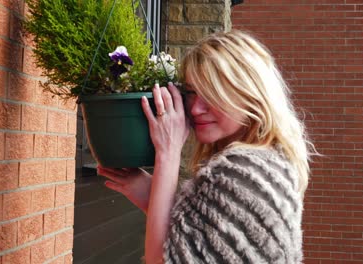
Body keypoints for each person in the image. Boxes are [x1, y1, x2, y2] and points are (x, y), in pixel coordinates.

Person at [97, 29, 314, 264]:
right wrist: (154, 196)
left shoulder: (242, 172)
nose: (196, 108)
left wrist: (168, 153)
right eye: (191, 92)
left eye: (212, 93)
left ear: (251, 94)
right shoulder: (266, 164)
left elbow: (162, 260)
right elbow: (198, 246)